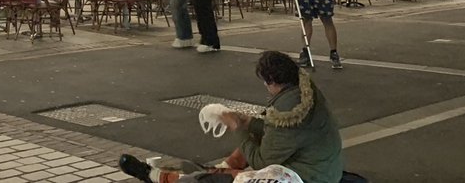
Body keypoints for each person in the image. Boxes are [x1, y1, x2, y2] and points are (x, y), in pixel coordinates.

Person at [118, 50, 343, 183]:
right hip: (320, 166)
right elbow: (278, 134)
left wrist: (239, 128)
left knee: (209, 181)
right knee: (251, 143)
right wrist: (249, 123)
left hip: (307, 178)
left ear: (271, 81)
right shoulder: (303, 95)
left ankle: (155, 176)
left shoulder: (286, 114)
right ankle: (219, 168)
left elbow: (262, 161)